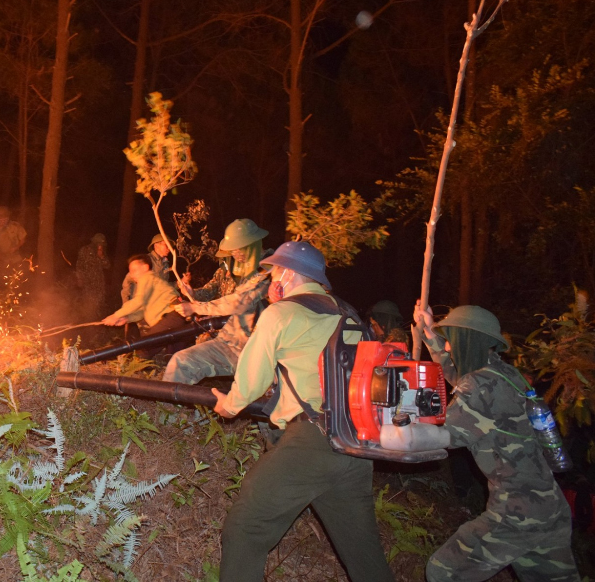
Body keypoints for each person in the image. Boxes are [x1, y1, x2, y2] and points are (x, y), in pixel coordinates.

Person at [211, 241, 395, 582]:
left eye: (275, 272)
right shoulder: (348, 314)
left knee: (246, 528)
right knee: (365, 556)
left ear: (289, 274)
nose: (271, 280)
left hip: (313, 440)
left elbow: (250, 383)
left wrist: (229, 405)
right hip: (357, 444)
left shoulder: (282, 313)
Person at [411, 303, 580, 582]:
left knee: (444, 571)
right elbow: (458, 373)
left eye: (452, 340)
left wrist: (390, 432)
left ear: (469, 341)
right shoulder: (506, 373)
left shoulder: (479, 386)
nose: (449, 347)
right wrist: (430, 333)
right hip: (550, 507)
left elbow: (439, 437)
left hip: (516, 513)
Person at [163, 219, 271, 384]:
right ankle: (170, 401)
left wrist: (196, 307)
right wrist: (192, 294)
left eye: (237, 249)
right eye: (232, 250)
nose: (234, 254)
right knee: (181, 361)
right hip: (231, 342)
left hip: (257, 351)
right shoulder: (245, 269)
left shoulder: (269, 269)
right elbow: (213, 293)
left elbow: (239, 302)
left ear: (251, 244)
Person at [103, 254, 185, 354]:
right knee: (173, 355)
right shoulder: (152, 281)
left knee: (144, 348)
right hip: (176, 316)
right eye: (130, 271)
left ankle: (136, 362)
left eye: (134, 270)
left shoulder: (146, 277)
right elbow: (143, 311)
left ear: (145, 267)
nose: (132, 275)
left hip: (172, 315)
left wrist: (116, 315)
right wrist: (127, 318)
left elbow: (138, 301)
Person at [121, 233, 175, 304]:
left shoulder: (165, 264)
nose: (169, 248)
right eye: (166, 245)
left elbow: (164, 285)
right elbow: (127, 280)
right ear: (156, 245)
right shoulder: (146, 260)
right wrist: (126, 304)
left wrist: (178, 284)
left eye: (170, 245)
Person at [75, 233, 110, 321]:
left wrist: (101, 256)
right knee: (88, 305)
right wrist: (79, 278)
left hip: (99, 284)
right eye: (98, 244)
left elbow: (107, 266)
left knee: (98, 305)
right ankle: (87, 322)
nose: (100, 246)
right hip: (87, 283)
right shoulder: (84, 250)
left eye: (102, 244)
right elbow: (79, 265)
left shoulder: (102, 252)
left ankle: (96, 323)